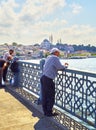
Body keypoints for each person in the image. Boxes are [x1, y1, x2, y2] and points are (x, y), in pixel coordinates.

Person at [40, 48, 68, 116]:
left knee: (45, 96)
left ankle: (45, 111)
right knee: (50, 96)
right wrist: (65, 66)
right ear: (55, 52)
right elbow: (60, 67)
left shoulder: (48, 57)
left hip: (44, 78)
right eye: (58, 52)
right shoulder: (55, 58)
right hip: (48, 79)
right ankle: (49, 112)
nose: (59, 54)